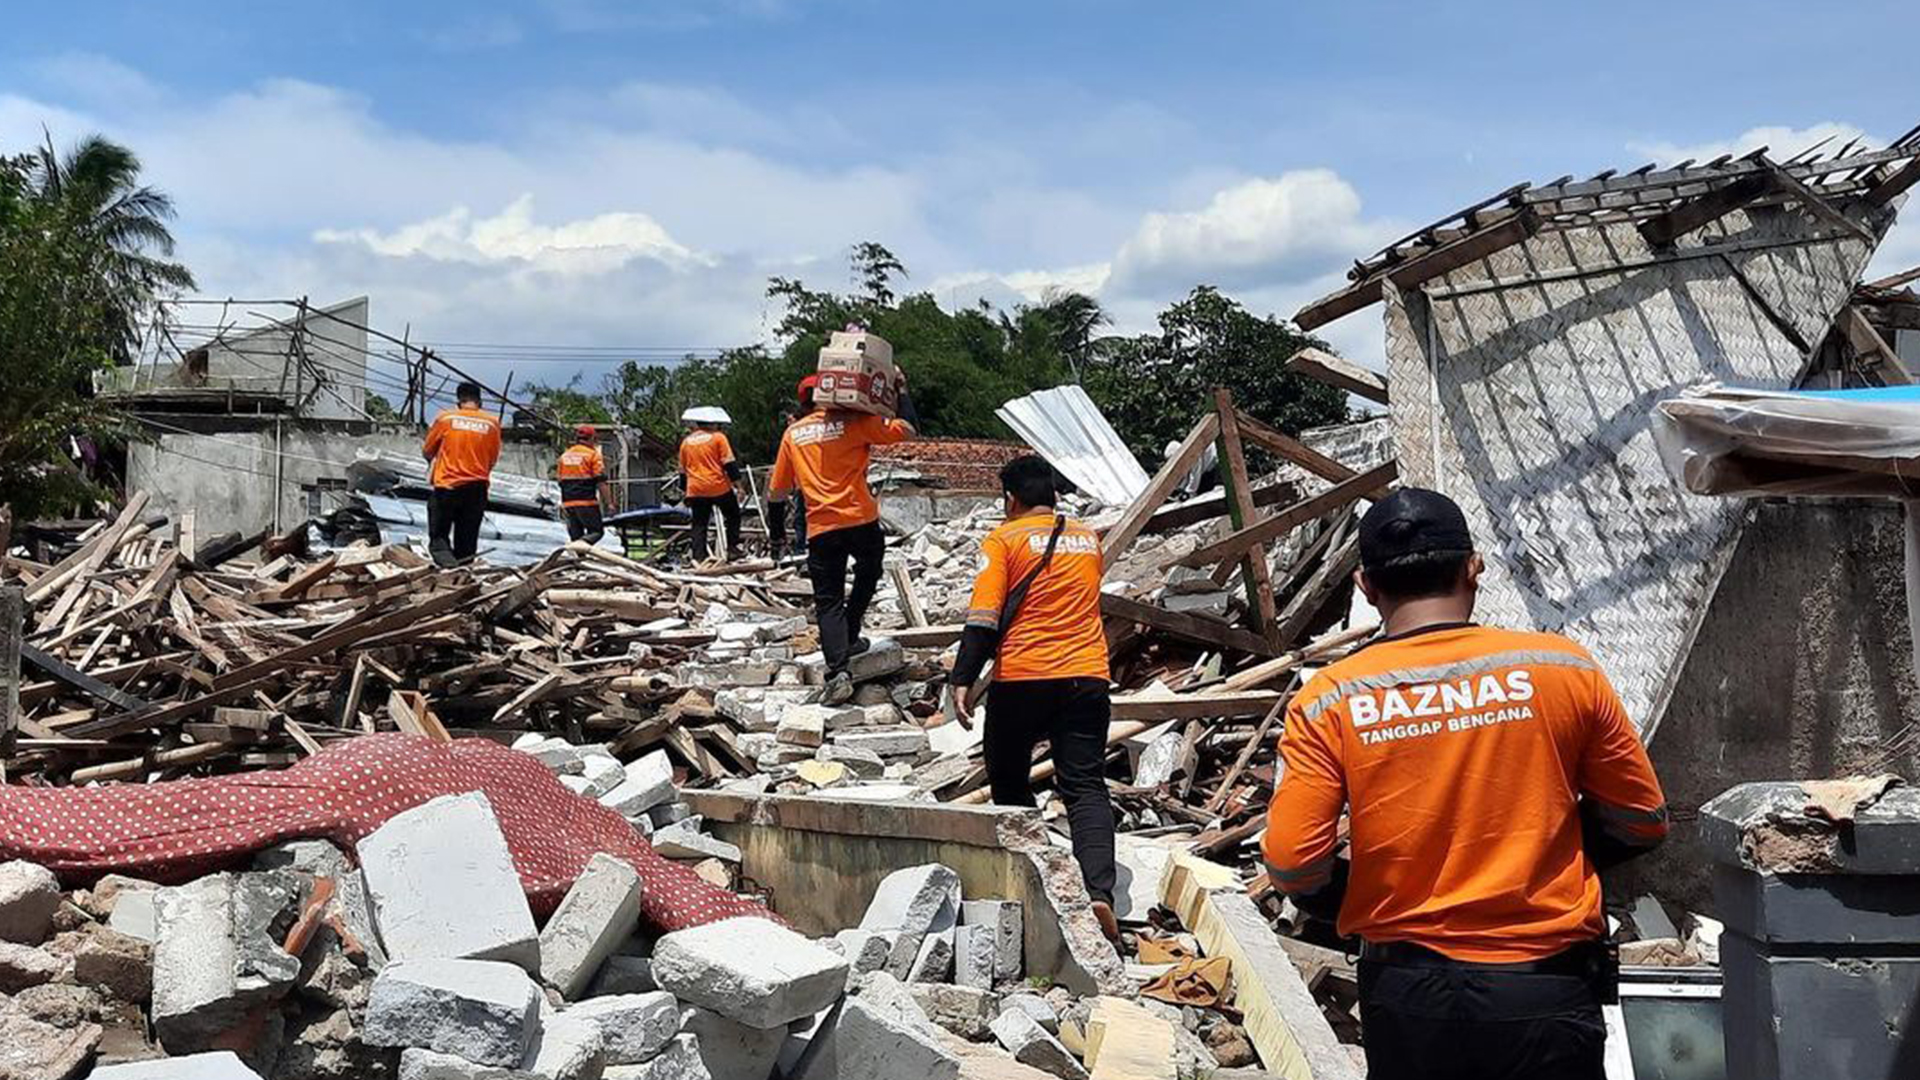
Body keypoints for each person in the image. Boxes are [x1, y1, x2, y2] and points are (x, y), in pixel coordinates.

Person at [1262, 488, 1669, 1080]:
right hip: (1545, 990)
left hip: (1409, 996)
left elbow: (1293, 864)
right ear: (1473, 568)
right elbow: (1643, 821)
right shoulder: (1564, 670)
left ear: (1365, 587)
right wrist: (1558, 853)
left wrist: (1356, 895)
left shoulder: (1330, 699)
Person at [942, 455, 1119, 939]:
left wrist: (962, 677)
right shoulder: (1088, 539)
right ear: (1055, 496)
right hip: (1087, 676)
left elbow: (984, 616)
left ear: (1010, 499)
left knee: (1009, 781)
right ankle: (1099, 893)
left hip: (1023, 676)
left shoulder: (1003, 539)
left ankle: (1039, 886)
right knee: (1084, 785)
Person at [766, 377, 917, 704]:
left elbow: (776, 492)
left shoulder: (793, 434)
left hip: (822, 528)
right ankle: (849, 635)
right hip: (861, 519)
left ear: (804, 402)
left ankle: (838, 670)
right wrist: (901, 390)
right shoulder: (855, 422)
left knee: (828, 599)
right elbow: (906, 430)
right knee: (869, 574)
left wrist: (777, 534)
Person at [422, 381, 502, 566]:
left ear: (459, 400)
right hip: (477, 488)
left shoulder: (446, 418)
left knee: (439, 539)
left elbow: (428, 451)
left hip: (447, 486)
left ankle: (449, 569)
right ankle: (463, 577)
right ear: (479, 401)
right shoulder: (492, 423)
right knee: (467, 543)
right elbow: (492, 458)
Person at [678, 411, 743, 563]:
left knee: (699, 524)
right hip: (718, 485)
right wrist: (739, 486)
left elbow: (682, 470)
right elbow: (729, 463)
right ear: (713, 423)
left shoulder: (686, 442)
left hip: (696, 489)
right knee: (733, 514)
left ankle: (699, 558)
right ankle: (732, 548)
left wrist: (684, 490)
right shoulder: (718, 437)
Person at [556, 423, 612, 545]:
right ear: (592, 438)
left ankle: (577, 556)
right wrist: (609, 503)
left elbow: (560, 481)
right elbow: (601, 482)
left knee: (576, 536)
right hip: (586, 502)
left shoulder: (564, 456)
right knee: (596, 532)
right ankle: (576, 547)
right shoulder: (592, 455)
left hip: (568, 503)